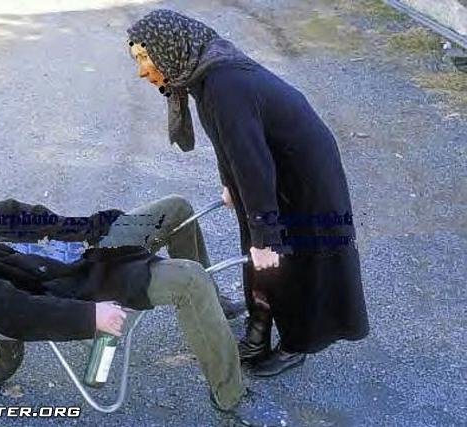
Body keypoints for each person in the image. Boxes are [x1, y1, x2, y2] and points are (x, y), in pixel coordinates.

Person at [126, 9, 369, 377]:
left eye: (146, 57)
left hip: (302, 170)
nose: (143, 71)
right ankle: (257, 333)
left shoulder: (223, 84)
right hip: (270, 163)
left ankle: (296, 345)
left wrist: (266, 237)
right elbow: (231, 145)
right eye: (138, 59)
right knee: (256, 250)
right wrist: (230, 185)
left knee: (292, 257)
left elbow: (252, 163)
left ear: (170, 47)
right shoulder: (202, 75)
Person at [0, 197, 260, 425]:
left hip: (88, 243)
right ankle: (229, 394)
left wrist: (71, 226)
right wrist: (90, 317)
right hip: (86, 281)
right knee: (190, 279)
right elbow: (12, 310)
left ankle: (215, 307)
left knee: (176, 208)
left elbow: (12, 210)